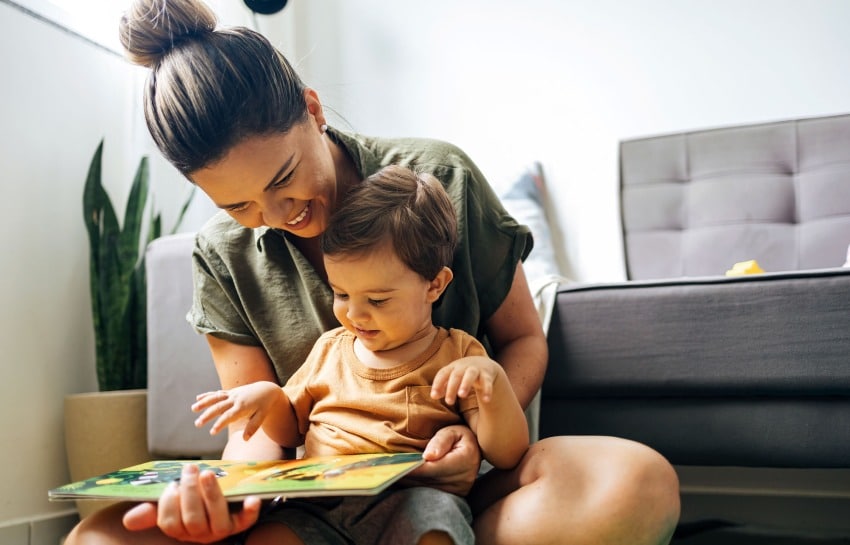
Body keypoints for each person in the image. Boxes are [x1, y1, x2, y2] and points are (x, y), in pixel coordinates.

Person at [66, 0, 681, 543]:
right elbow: (258, 428)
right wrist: (231, 497)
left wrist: (476, 430)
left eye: (283, 180)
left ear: (311, 110)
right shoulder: (220, 253)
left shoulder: (440, 177)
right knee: (99, 538)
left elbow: (522, 340)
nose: (279, 216)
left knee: (636, 484)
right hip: (317, 504)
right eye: (238, 205)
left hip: (452, 486)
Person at [190, 165, 529, 545]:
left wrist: (494, 383)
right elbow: (292, 428)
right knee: (270, 537)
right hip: (320, 504)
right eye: (342, 294)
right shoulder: (330, 349)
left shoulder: (459, 356)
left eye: (377, 300)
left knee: (438, 530)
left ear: (435, 285)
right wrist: (268, 400)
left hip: (412, 501)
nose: (355, 314)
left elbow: (508, 453)